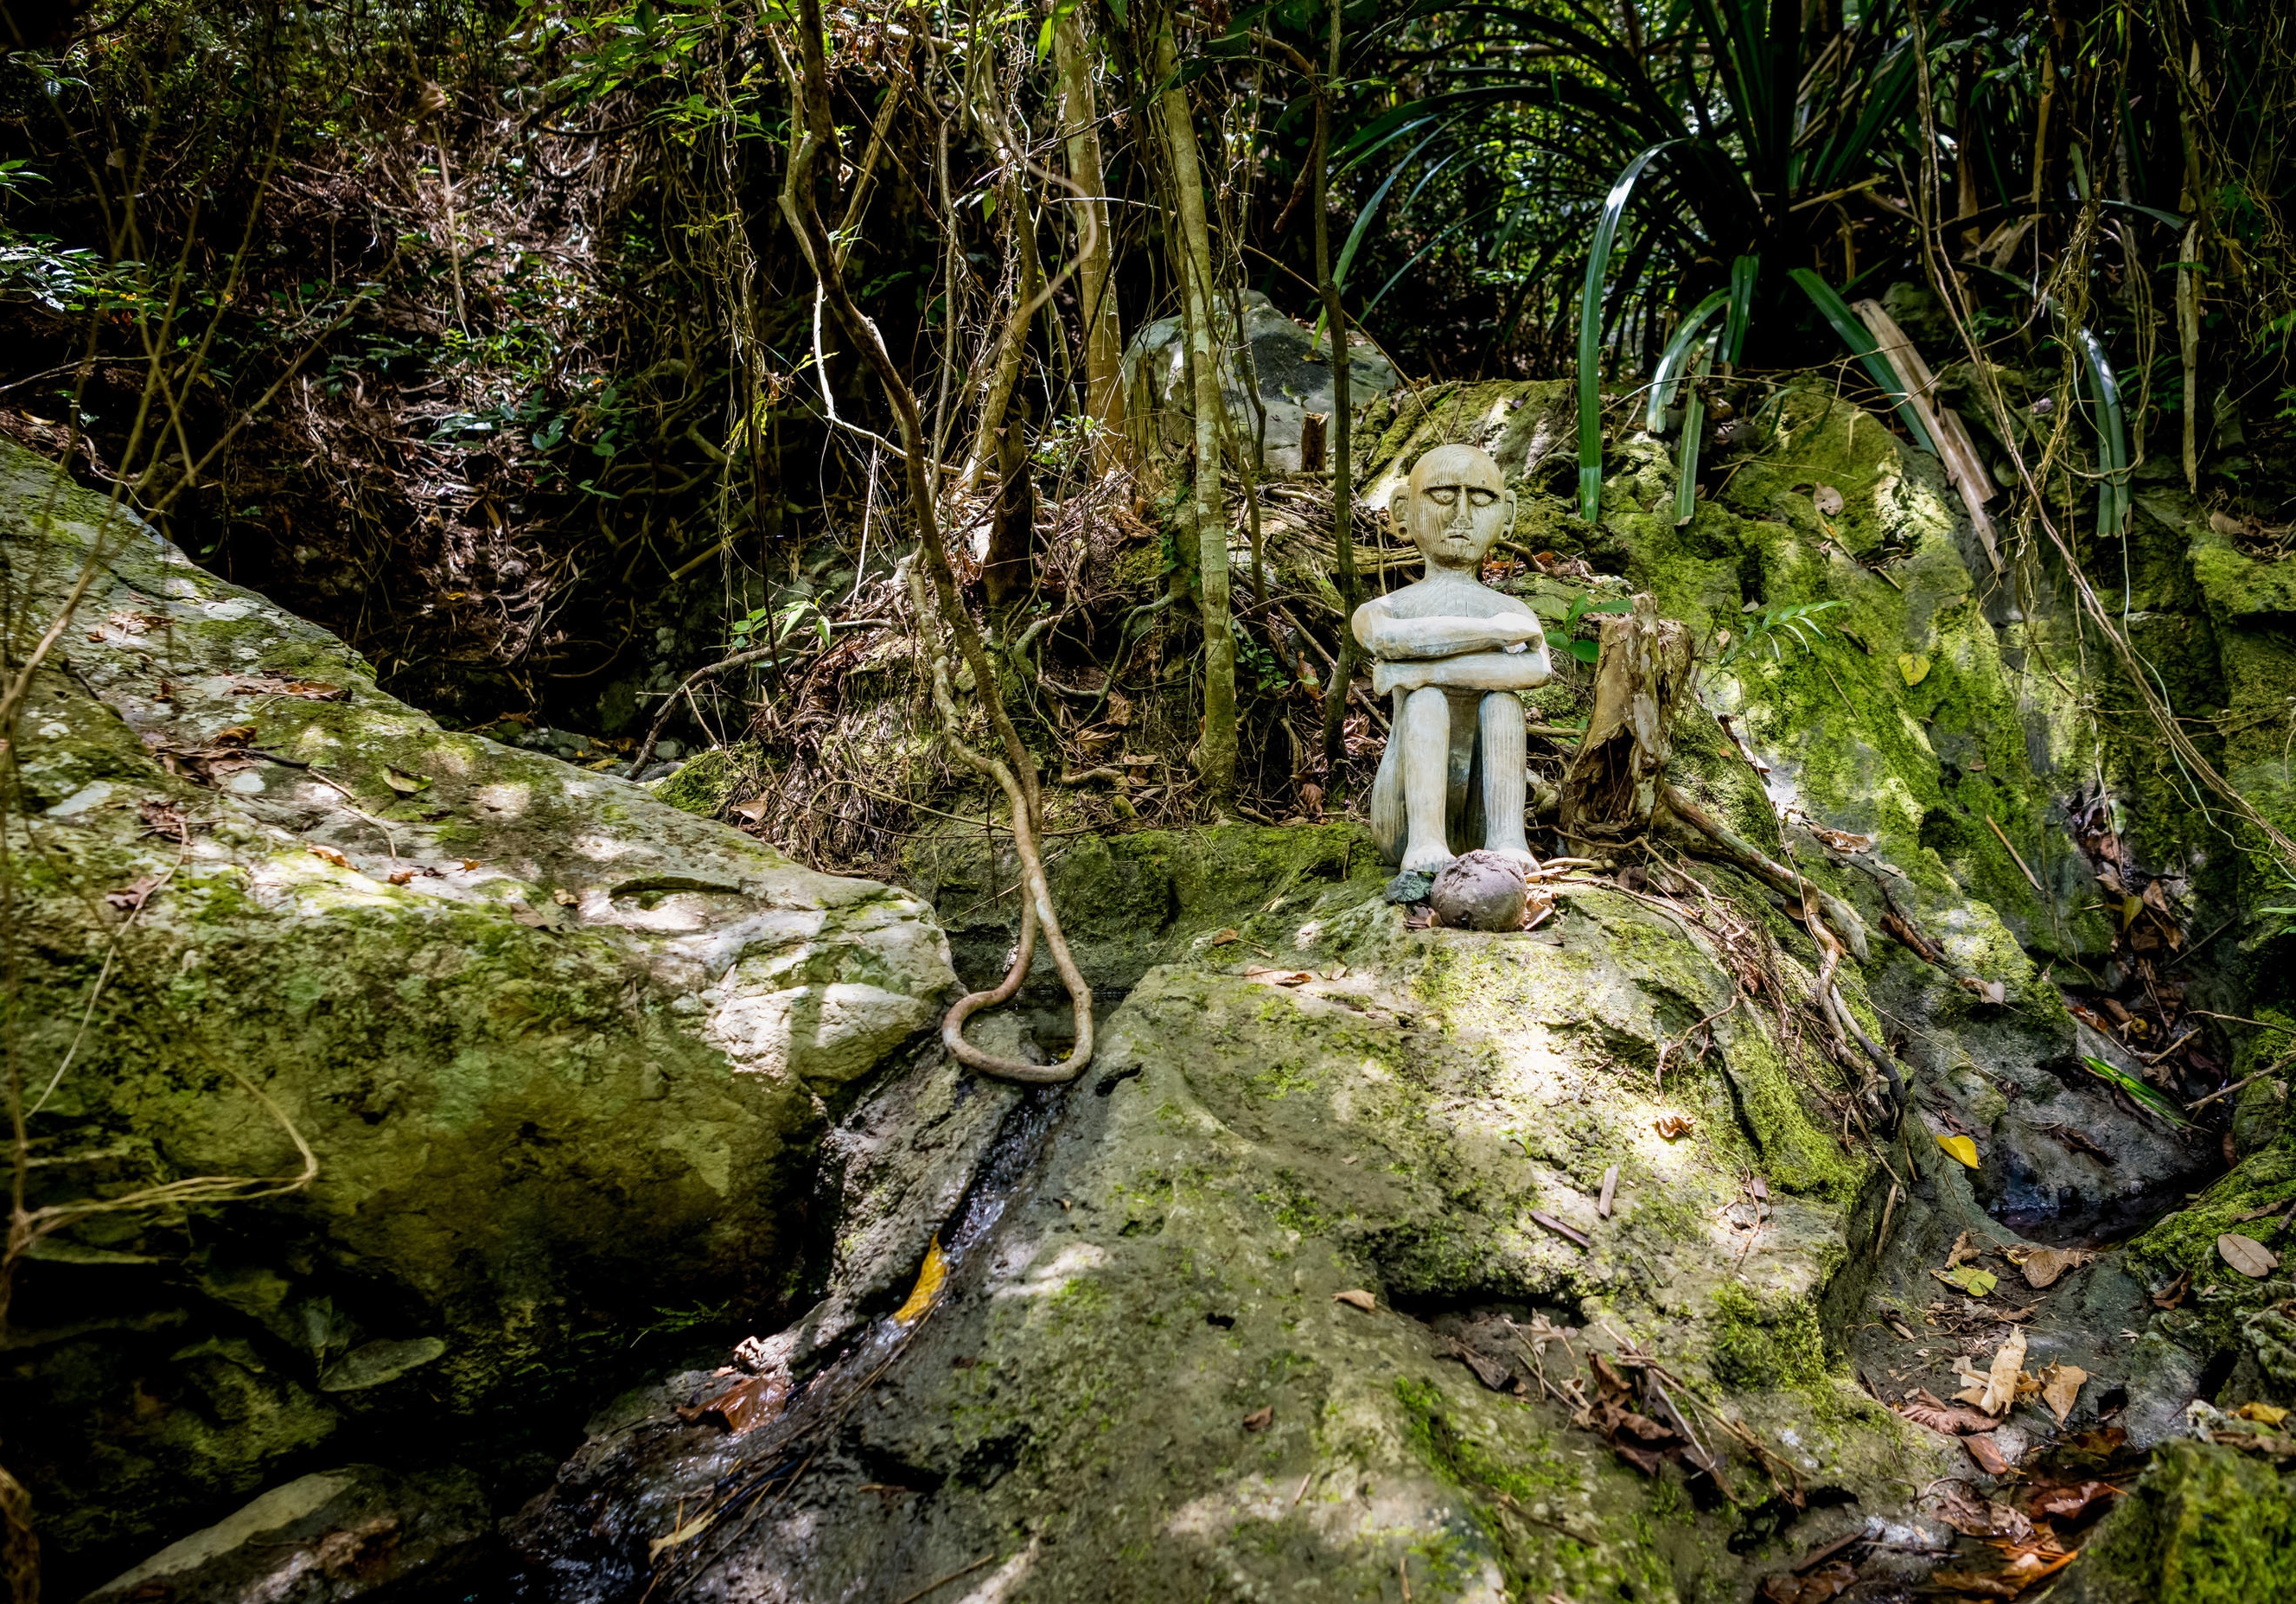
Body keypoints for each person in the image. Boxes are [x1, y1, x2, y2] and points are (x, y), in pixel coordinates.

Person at [1351, 444, 1550, 872]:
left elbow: (1535, 667)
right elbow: (1387, 639)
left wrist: (1425, 668)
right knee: (1425, 701)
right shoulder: (1390, 607)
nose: (1461, 514)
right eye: (1443, 495)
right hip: (1403, 817)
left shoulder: (1514, 610)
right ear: (1402, 510)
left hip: (1480, 805)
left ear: (1508, 514)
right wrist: (1493, 633)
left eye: (1480, 498)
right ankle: (1426, 843)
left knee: (1502, 703)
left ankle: (1507, 839)